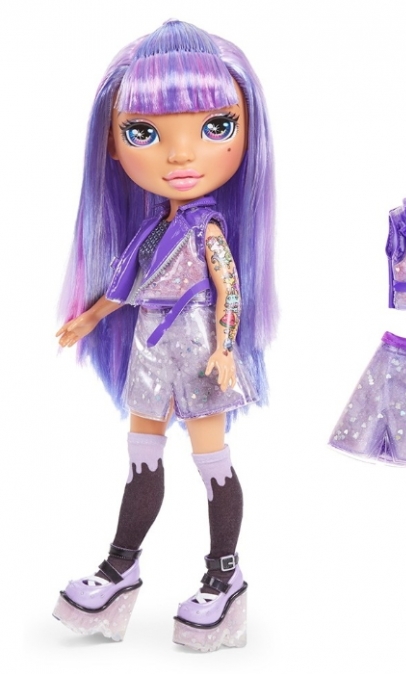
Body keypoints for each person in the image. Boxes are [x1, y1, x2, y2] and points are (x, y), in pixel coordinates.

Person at [52, 20, 276, 652]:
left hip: (201, 347)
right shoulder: (151, 229)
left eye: (216, 127)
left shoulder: (208, 231)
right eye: (144, 133)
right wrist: (90, 318)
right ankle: (120, 567)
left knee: (212, 460)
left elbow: (229, 291)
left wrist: (226, 349)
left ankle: (224, 576)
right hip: (151, 346)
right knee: (142, 455)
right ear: (112, 144)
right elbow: (126, 284)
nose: (181, 156)